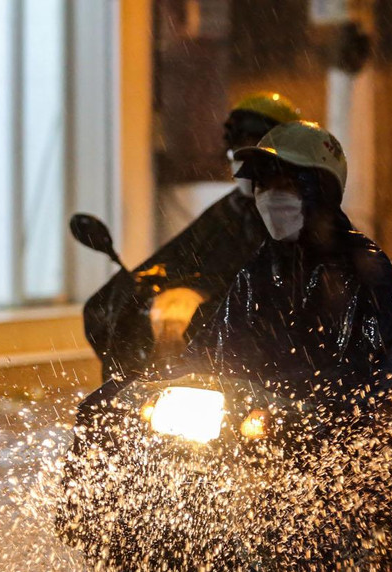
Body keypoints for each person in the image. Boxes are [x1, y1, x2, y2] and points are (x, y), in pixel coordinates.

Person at [185, 121, 392, 410]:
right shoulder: (259, 270)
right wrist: (160, 380)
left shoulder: (364, 265)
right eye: (264, 185)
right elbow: (215, 342)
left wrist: (359, 410)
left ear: (320, 190)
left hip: (349, 433)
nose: (271, 196)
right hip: (264, 421)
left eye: (285, 184)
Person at [84, 92, 303, 380]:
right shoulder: (228, 211)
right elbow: (182, 258)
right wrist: (150, 291)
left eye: (256, 144)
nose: (245, 156)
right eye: (239, 143)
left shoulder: (298, 214)